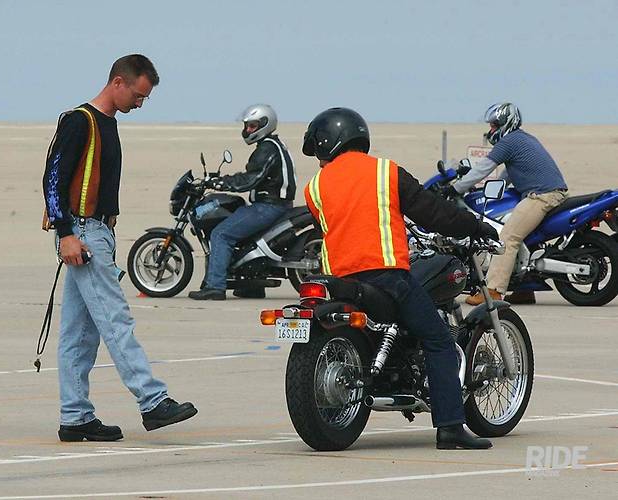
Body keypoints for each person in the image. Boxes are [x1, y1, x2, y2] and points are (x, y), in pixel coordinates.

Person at [302, 107, 498, 450]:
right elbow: (433, 212)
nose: (319, 159)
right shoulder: (384, 172)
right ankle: (451, 426)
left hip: (338, 281)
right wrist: (476, 226)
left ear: (329, 144)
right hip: (385, 277)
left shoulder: (314, 188)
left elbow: (335, 227)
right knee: (438, 340)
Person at [42, 54, 197, 442]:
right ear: (118, 82)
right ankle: (152, 401)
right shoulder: (81, 121)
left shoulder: (107, 124)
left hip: (97, 234)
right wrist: (65, 234)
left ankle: (75, 417)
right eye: (138, 96)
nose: (139, 104)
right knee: (116, 320)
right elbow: (53, 179)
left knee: (79, 334)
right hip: (84, 234)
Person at [444, 103, 568, 305]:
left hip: (542, 196)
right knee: (525, 240)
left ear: (505, 123)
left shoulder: (508, 142)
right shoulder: (522, 139)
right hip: (550, 193)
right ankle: (524, 289)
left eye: (494, 125)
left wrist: (455, 188)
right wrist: (486, 189)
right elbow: (509, 174)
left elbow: (482, 169)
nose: (491, 130)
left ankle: (493, 291)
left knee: (507, 239)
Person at [188, 104, 297, 300]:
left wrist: (220, 182)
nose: (248, 130)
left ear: (265, 124)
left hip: (268, 207)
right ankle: (251, 286)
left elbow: (249, 180)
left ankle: (215, 286)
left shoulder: (266, 149)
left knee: (221, 234)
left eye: (252, 126)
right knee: (243, 236)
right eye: (247, 126)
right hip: (274, 205)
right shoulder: (273, 145)